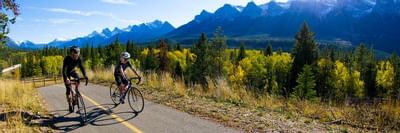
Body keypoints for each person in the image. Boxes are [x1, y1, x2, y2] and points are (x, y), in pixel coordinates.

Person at [63, 46, 87, 113]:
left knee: (78, 77)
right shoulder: (67, 59)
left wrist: (85, 75)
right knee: (68, 89)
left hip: (73, 71)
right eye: (74, 55)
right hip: (66, 73)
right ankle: (70, 104)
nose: (76, 57)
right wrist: (66, 78)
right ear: (71, 54)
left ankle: (75, 92)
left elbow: (82, 67)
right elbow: (64, 70)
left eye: (77, 55)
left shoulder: (79, 58)